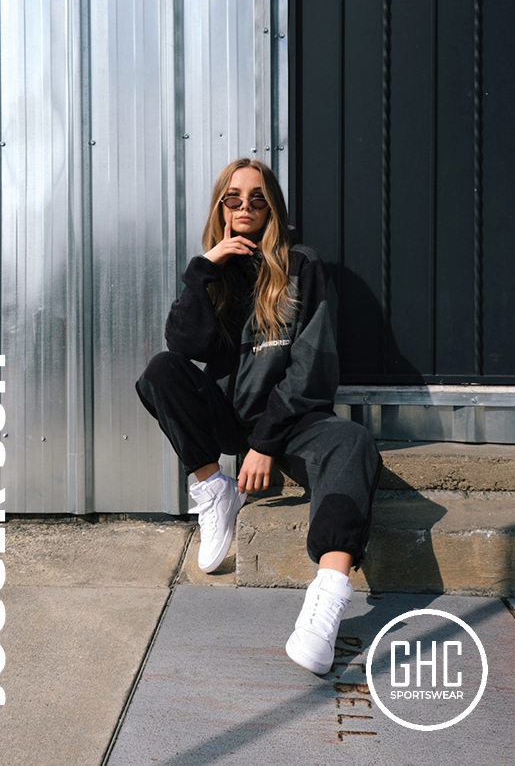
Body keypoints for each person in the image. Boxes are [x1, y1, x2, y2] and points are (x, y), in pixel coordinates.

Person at [136, 158, 382, 675]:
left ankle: (327, 599)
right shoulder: (215, 271)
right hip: (230, 418)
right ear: (221, 207)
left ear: (273, 207)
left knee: (355, 442)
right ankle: (214, 488)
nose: (244, 206)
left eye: (256, 197)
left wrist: (266, 443)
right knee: (161, 371)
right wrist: (204, 270)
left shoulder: (300, 265)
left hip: (293, 424)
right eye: (233, 197)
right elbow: (184, 345)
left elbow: (311, 367)